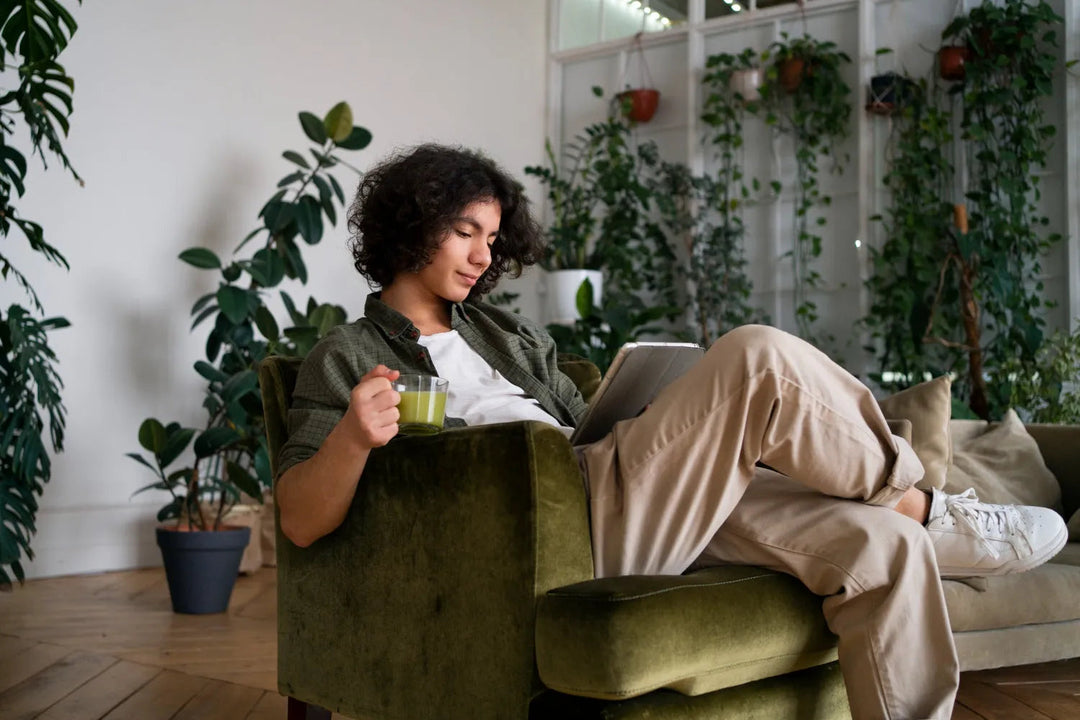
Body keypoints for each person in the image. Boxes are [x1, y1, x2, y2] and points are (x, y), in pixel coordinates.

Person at [274, 144, 1068, 720]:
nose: (486, 254)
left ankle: (907, 525)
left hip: (617, 489)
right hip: (556, 530)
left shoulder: (505, 335)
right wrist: (351, 438)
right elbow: (299, 518)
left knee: (878, 550)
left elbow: (581, 429)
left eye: (491, 235)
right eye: (465, 233)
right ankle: (927, 506)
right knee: (758, 359)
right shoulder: (347, 355)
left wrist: (642, 417)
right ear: (412, 228)